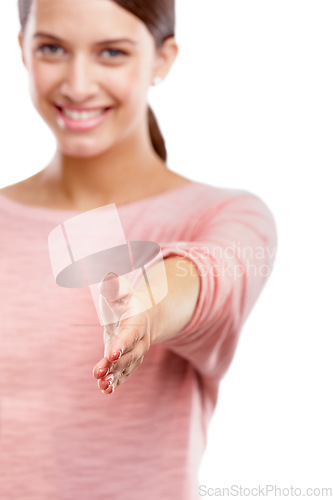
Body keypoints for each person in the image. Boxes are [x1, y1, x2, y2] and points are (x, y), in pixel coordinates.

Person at [0, 0, 278, 499]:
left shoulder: (226, 215)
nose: (78, 83)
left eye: (111, 52)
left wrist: (149, 305)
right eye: (52, 48)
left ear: (163, 59)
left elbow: (214, 275)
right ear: (22, 49)